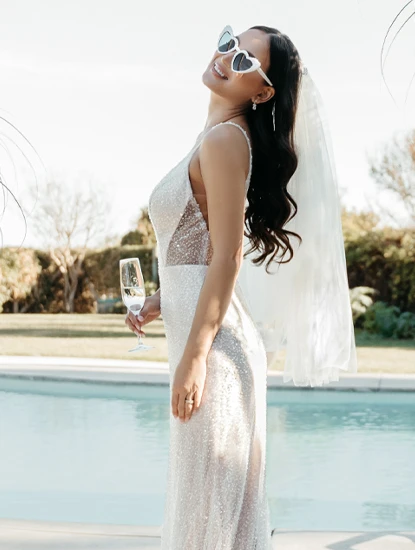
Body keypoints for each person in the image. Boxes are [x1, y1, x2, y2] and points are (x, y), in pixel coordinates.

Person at [125, 23, 356, 549]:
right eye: (230, 43)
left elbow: (229, 254)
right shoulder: (213, 137)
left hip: (219, 359)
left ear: (262, 92)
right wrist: (164, 300)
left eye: (246, 60)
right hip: (205, 345)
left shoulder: (227, 139)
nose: (227, 57)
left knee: (210, 520)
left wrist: (196, 356)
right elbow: (201, 250)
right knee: (202, 513)